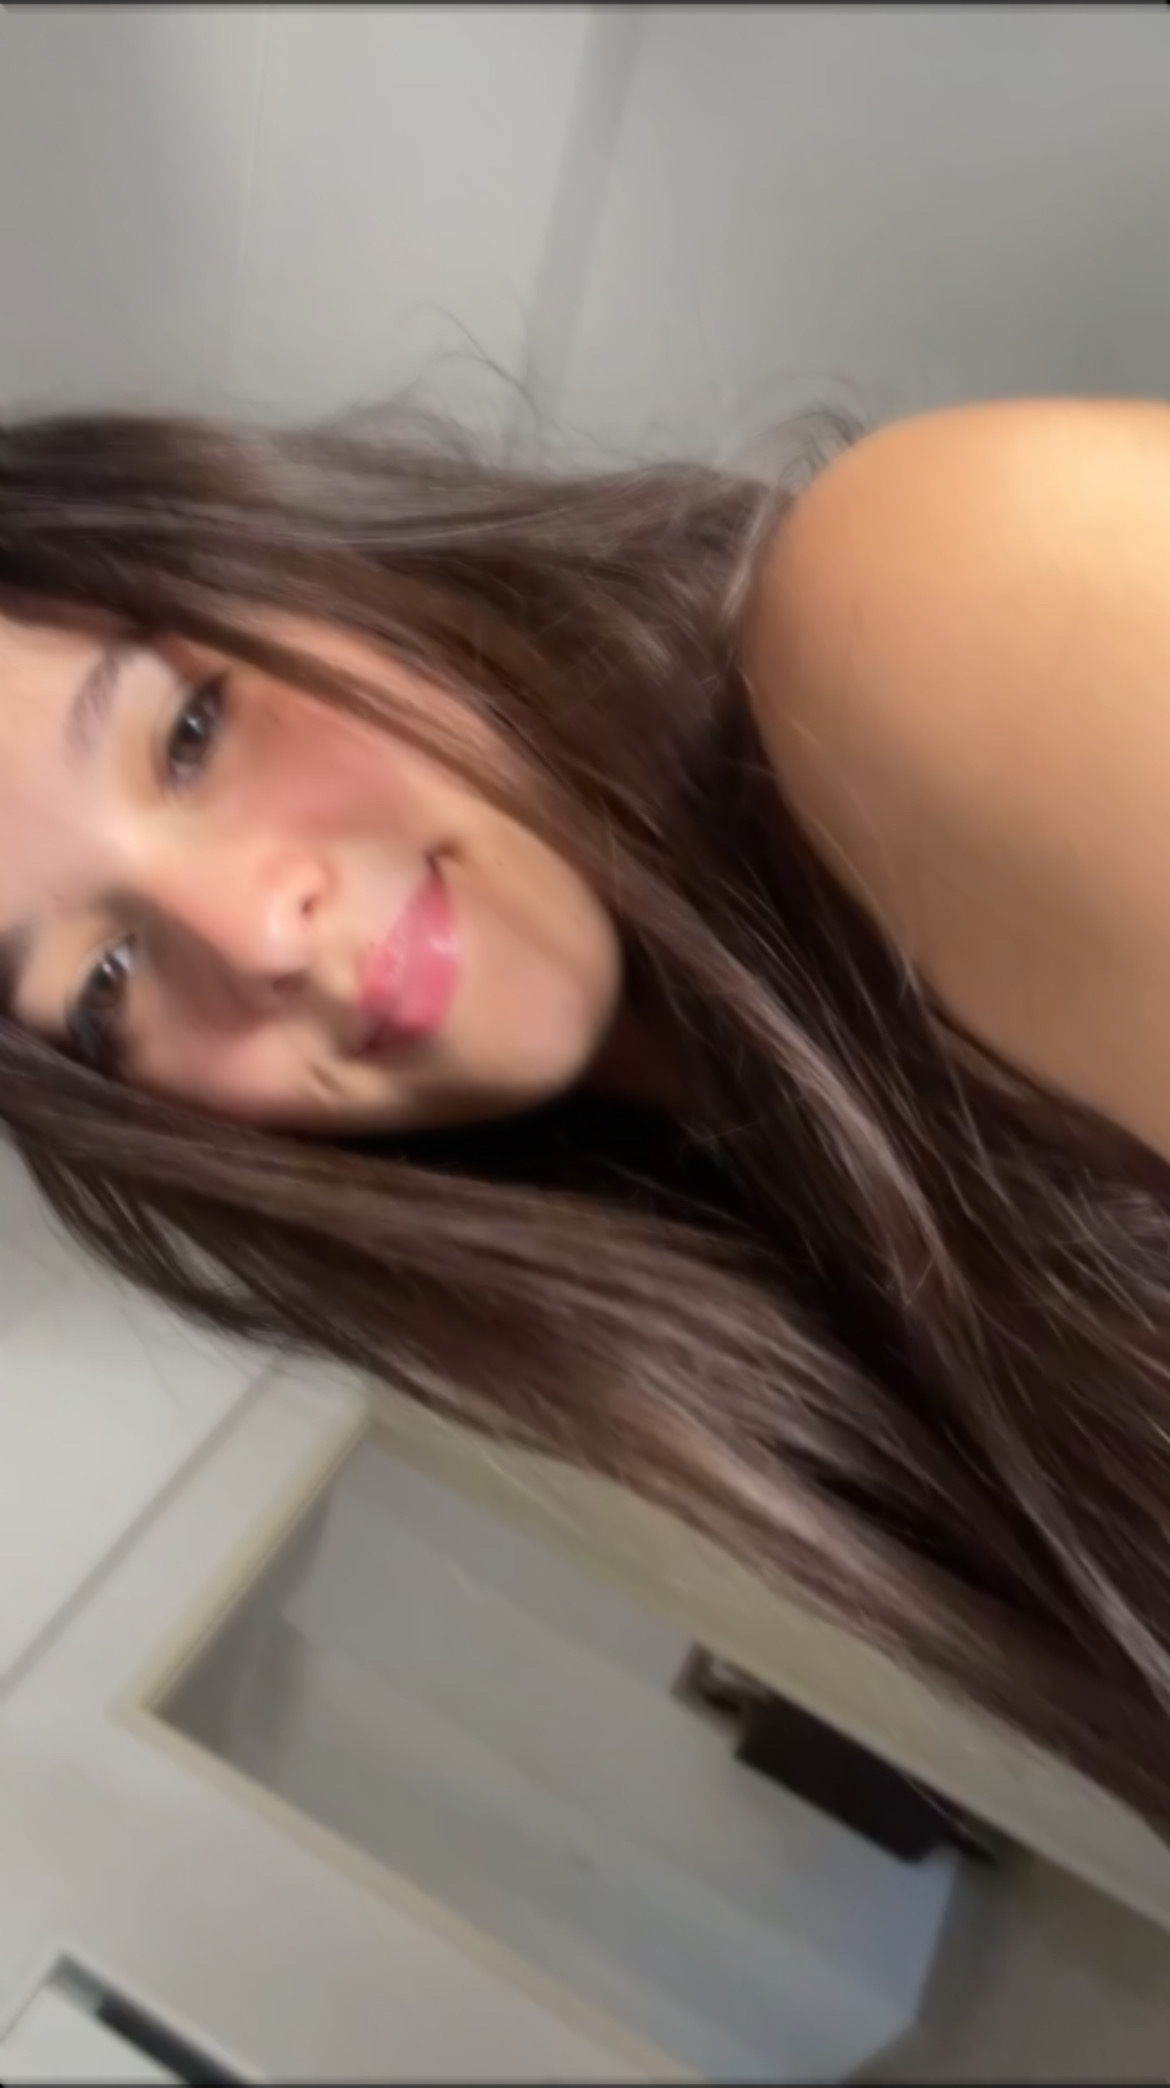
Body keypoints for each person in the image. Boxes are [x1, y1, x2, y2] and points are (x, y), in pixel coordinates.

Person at [3, 393, 1170, 1833]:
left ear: (299, 560)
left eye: (190, 734)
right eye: (108, 980)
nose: (255, 934)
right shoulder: (732, 1304)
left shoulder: (937, 591)